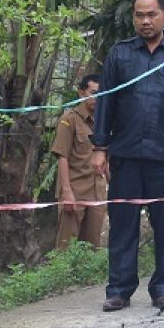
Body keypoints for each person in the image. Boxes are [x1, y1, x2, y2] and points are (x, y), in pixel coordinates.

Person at [91, 0, 164, 312]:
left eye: (151, 14)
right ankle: (119, 288)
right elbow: (105, 102)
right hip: (125, 156)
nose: (145, 21)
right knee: (123, 224)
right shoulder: (120, 54)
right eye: (139, 15)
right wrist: (100, 147)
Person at [51, 74, 105, 249]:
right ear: (82, 93)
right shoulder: (69, 120)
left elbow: (107, 160)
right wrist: (66, 192)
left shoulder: (103, 123)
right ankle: (63, 278)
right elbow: (62, 156)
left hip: (97, 194)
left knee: (92, 249)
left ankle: (88, 278)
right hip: (75, 191)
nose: (98, 97)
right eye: (93, 92)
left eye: (101, 93)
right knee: (67, 248)